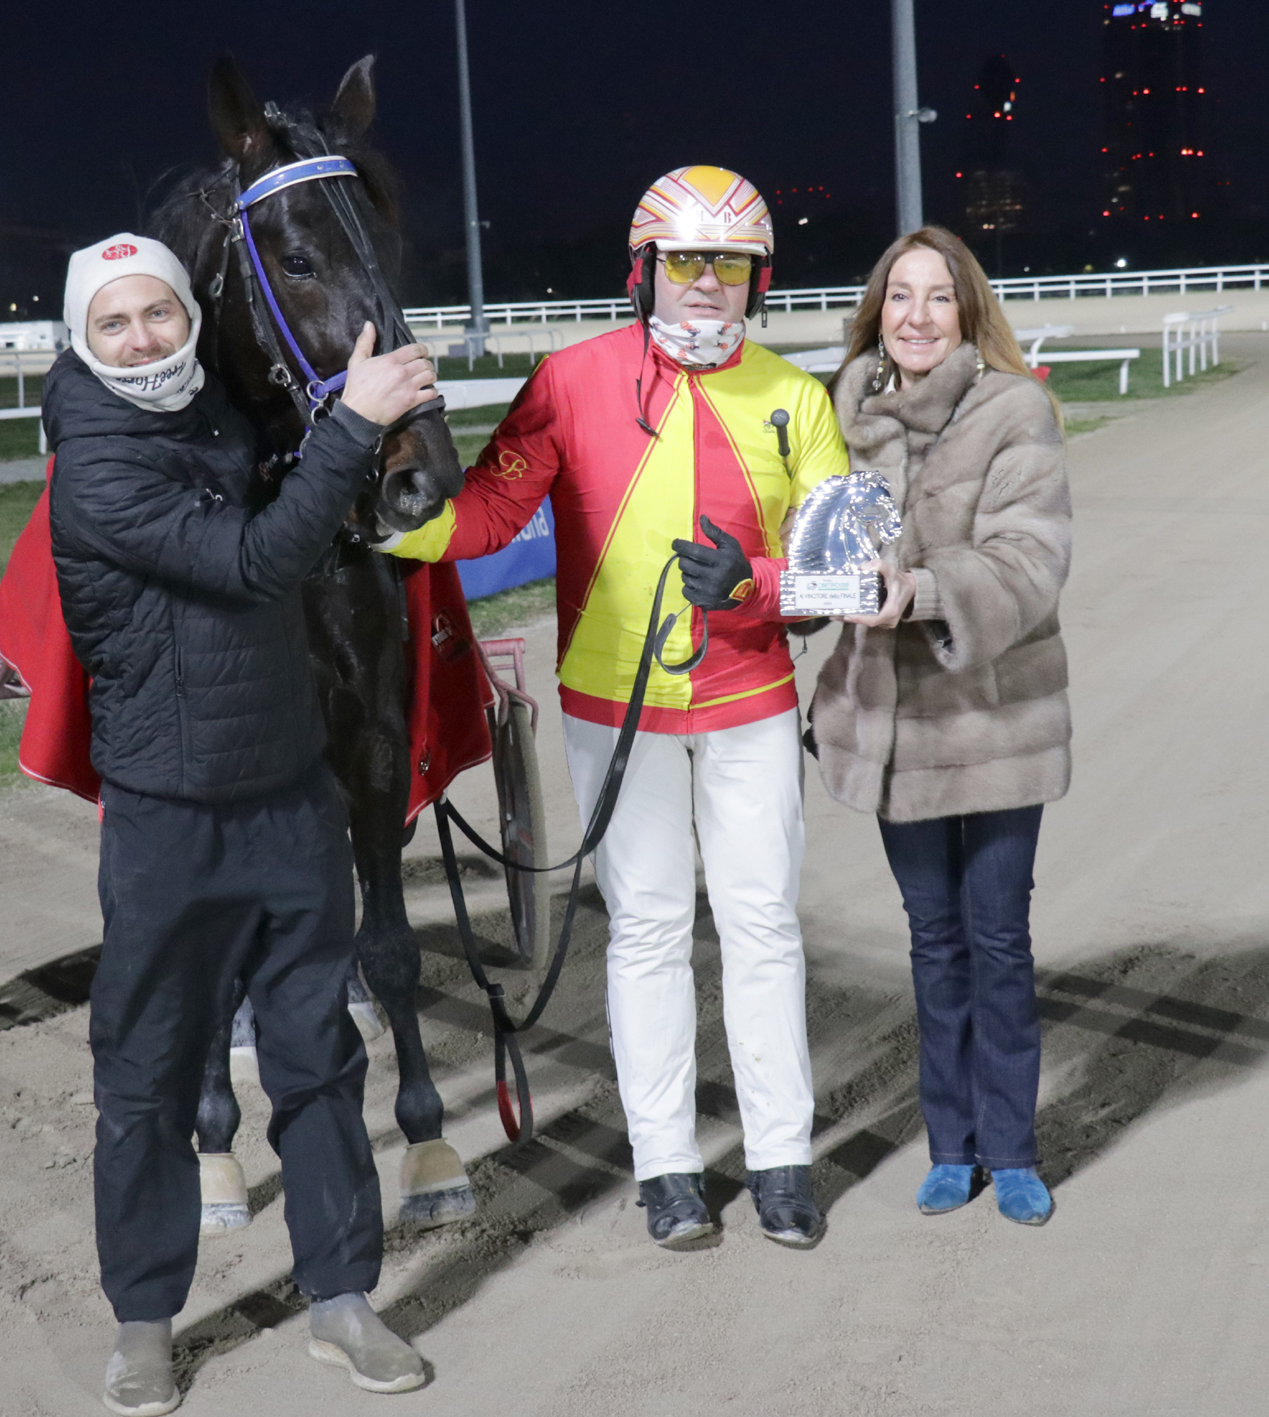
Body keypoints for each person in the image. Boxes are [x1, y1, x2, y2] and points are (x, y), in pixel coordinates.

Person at [379, 168, 848, 1250]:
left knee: (761, 925)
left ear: (755, 282)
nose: (704, 286)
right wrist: (377, 529)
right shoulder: (567, 378)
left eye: (727, 266)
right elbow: (488, 514)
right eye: (683, 262)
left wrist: (756, 587)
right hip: (612, 707)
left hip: (749, 702)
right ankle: (667, 1167)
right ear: (641, 271)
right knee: (642, 929)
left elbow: (844, 576)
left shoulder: (795, 397)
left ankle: (781, 1158)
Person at [44, 233, 440, 1413]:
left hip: (289, 801)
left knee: (319, 1056)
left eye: (157, 313)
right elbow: (259, 561)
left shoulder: (218, 412)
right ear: (81, 339)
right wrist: (353, 426)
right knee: (149, 1076)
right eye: (112, 324)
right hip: (168, 825)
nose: (141, 339)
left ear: (184, 314)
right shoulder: (97, 471)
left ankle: (341, 1300)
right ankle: (145, 1320)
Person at [807, 226, 1072, 1226]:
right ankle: (948, 1142)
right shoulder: (842, 413)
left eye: (936, 298)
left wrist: (915, 589)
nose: (915, 317)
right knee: (932, 940)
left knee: (995, 937)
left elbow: (1028, 558)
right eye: (898, 297)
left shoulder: (1014, 410)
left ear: (965, 312)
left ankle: (1010, 1148)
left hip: (996, 718)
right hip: (896, 726)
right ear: (875, 310)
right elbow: (816, 549)